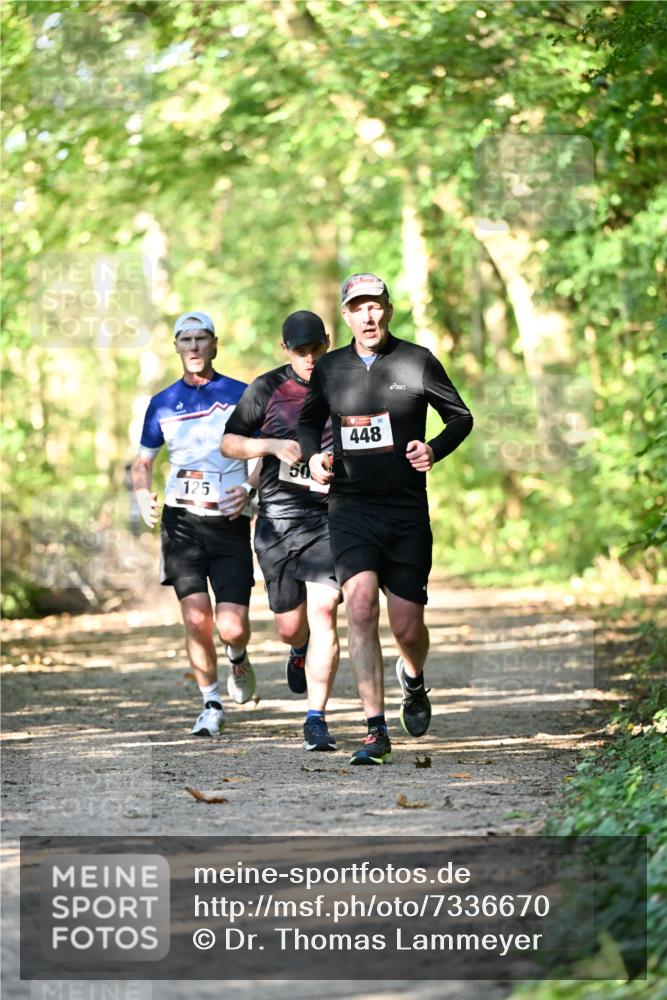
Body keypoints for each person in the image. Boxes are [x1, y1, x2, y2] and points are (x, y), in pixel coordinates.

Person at [298, 273, 473, 765]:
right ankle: (374, 729)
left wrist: (432, 449)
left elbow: (460, 416)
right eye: (358, 308)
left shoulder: (416, 360)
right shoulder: (329, 368)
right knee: (358, 608)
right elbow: (309, 420)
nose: (368, 316)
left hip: (405, 510)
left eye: (376, 306)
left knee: (407, 626)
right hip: (350, 507)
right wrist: (313, 456)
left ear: (388, 310)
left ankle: (413, 679)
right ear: (347, 316)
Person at [132, 310, 257, 738]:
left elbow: (260, 452)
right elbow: (143, 460)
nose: (194, 347)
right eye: (185, 340)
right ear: (176, 348)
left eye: (201, 339)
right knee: (195, 618)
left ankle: (237, 657)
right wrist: (140, 492)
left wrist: (252, 488)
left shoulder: (242, 394)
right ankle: (211, 702)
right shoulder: (162, 402)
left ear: (215, 344)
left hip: (229, 518)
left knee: (232, 626)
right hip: (181, 520)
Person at [221, 311, 341, 752]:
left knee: (325, 609)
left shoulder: (343, 380)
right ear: (285, 349)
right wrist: (270, 445)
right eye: (300, 351)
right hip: (278, 519)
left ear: (328, 343)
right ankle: (297, 650)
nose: (310, 359)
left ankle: (316, 718)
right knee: (291, 627)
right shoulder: (267, 388)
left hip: (331, 515)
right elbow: (229, 442)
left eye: (317, 349)